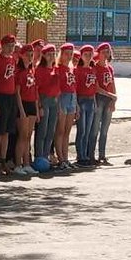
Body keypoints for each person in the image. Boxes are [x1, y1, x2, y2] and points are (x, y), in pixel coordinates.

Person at [0, 35, 19, 176]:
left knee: (7, 131)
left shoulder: (12, 60)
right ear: (2, 45)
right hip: (0, 97)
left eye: (13, 45)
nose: (11, 48)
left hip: (11, 97)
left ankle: (3, 159)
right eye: (8, 45)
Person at [14, 42, 39, 176]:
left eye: (32, 54)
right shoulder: (19, 72)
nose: (30, 57)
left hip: (31, 104)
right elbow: (17, 92)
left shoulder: (31, 70)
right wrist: (21, 110)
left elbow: (35, 91)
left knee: (28, 136)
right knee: (22, 136)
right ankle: (18, 164)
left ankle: (27, 163)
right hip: (22, 104)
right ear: (22, 56)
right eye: (28, 54)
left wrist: (36, 109)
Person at [91, 42, 117, 164]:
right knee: (95, 128)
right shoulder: (95, 68)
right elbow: (96, 87)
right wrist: (109, 95)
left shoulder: (110, 68)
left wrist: (114, 99)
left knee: (105, 130)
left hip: (109, 100)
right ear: (99, 53)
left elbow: (112, 85)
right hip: (99, 99)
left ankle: (102, 154)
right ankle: (91, 154)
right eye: (104, 52)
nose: (106, 54)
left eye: (108, 52)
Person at [74, 45, 99, 167]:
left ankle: (86, 155)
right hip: (81, 100)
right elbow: (75, 89)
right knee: (82, 130)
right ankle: (80, 156)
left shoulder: (93, 70)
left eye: (90, 54)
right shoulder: (77, 70)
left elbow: (94, 88)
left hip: (90, 101)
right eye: (86, 54)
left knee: (88, 130)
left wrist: (95, 102)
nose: (88, 57)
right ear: (81, 56)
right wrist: (76, 105)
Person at [35, 44, 60, 166]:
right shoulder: (40, 70)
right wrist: (39, 106)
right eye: (49, 54)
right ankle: (39, 156)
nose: (51, 57)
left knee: (51, 131)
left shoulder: (56, 69)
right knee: (42, 130)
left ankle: (46, 155)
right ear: (44, 55)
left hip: (54, 101)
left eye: (53, 54)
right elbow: (36, 90)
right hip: (44, 100)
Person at [54, 43, 78, 171]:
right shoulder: (57, 68)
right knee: (60, 130)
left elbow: (74, 87)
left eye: (71, 54)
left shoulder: (71, 68)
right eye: (67, 53)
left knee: (67, 131)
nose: (69, 56)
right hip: (61, 98)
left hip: (71, 98)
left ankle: (66, 158)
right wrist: (58, 105)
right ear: (61, 54)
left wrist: (76, 105)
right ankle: (60, 158)